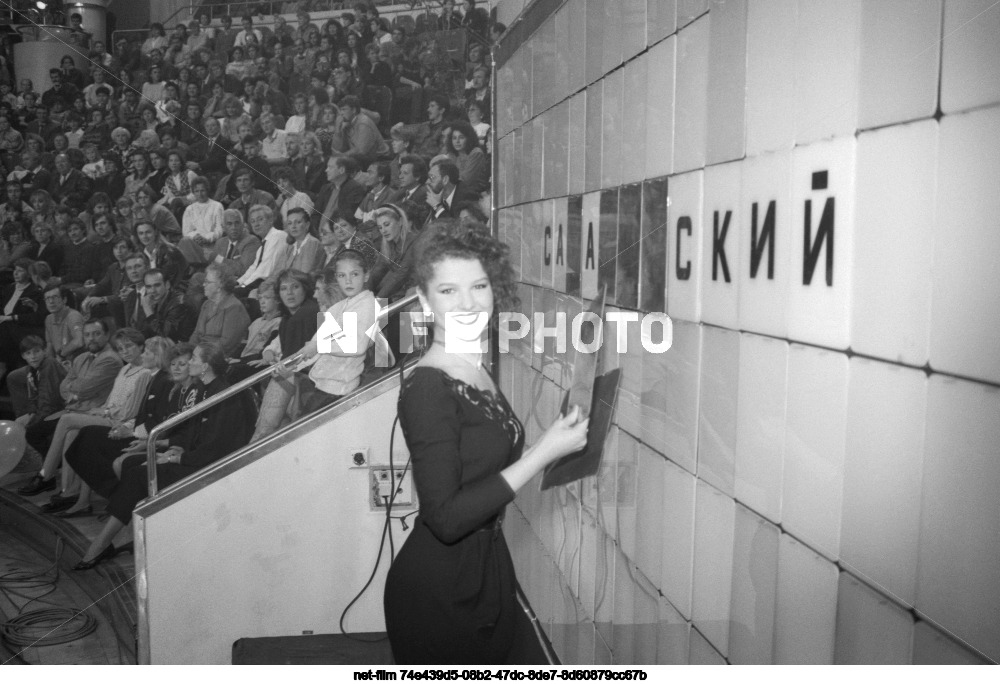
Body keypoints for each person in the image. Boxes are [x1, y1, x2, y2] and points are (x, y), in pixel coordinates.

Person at [383, 221, 589, 664]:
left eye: (479, 285)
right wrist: (543, 453)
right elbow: (445, 518)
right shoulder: (428, 388)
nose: (469, 302)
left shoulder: (473, 368)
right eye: (448, 291)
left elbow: (482, 466)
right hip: (440, 592)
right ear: (423, 300)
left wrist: (560, 436)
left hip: (486, 568)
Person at [70, 341, 255, 570]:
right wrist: (177, 448)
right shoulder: (207, 390)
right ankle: (120, 537)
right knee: (133, 468)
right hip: (193, 456)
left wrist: (177, 457)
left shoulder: (223, 395)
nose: (190, 363)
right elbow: (195, 435)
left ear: (206, 365)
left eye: (194, 359)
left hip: (207, 467)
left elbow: (217, 448)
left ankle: (100, 545)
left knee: (139, 474)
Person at [59, 336, 178, 518]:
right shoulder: (152, 377)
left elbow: (158, 419)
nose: (143, 356)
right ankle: (106, 496)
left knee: (88, 440)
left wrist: (129, 432)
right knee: (85, 436)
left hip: (143, 437)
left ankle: (116, 498)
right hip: (134, 431)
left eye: (146, 353)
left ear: (157, 356)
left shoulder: (163, 380)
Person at [37, 327, 153, 514]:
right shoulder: (125, 368)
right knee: (73, 433)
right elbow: (112, 400)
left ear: (141, 347)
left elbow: (130, 411)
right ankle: (73, 494)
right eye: (121, 348)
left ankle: (45, 473)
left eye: (129, 346)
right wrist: (101, 410)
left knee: (67, 420)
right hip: (108, 415)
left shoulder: (144, 373)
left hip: (120, 423)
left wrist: (104, 412)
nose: (125, 351)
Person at [17, 318, 123, 496]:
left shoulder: (111, 359)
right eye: (87, 335)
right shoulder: (81, 357)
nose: (91, 338)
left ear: (106, 335)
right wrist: (75, 390)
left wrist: (75, 389)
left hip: (91, 411)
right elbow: (63, 387)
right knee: (36, 430)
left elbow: (83, 387)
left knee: (58, 429)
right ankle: (57, 480)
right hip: (72, 408)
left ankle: (47, 477)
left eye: (96, 334)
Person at [294, 250, 388, 412]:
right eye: (342, 276)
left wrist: (318, 347)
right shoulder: (338, 308)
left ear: (366, 276)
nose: (348, 281)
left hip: (339, 392)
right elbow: (315, 343)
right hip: (323, 386)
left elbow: (355, 346)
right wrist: (291, 366)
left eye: (355, 274)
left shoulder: (368, 305)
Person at [249, 268, 319, 440]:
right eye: (283, 288)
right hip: (296, 377)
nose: (289, 293)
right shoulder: (289, 317)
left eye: (295, 287)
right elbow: (278, 343)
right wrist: (268, 353)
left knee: (263, 432)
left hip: (303, 379)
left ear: (305, 288)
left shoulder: (306, 314)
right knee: (279, 434)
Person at [190, 263, 251, 357]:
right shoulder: (206, 304)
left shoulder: (234, 308)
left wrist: (199, 354)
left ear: (220, 286)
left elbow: (226, 344)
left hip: (217, 358)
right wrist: (190, 351)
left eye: (207, 282)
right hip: (199, 353)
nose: (203, 284)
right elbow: (196, 334)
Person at [128, 268, 197, 341]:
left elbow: (164, 335)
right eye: (149, 287)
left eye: (157, 285)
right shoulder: (154, 299)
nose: (152, 291)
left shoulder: (179, 303)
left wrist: (148, 311)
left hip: (180, 347)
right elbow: (146, 330)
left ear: (167, 285)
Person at [177, 176, 224, 265]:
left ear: (207, 190)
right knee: (185, 241)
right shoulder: (189, 209)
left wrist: (206, 238)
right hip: (194, 244)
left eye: (202, 190)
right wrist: (195, 237)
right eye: (196, 191)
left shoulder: (217, 206)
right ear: (193, 193)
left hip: (211, 246)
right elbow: (186, 231)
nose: (200, 194)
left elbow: (220, 230)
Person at [210, 208, 260, 278]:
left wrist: (217, 258)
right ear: (223, 227)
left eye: (237, 223)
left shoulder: (251, 241)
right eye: (229, 224)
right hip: (219, 280)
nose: (234, 227)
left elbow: (242, 270)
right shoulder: (220, 242)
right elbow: (213, 267)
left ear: (243, 225)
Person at [280, 207, 323, 273]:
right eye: (289, 223)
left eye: (298, 222)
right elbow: (280, 271)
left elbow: (304, 273)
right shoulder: (290, 246)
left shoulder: (312, 243)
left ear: (307, 225)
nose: (293, 226)